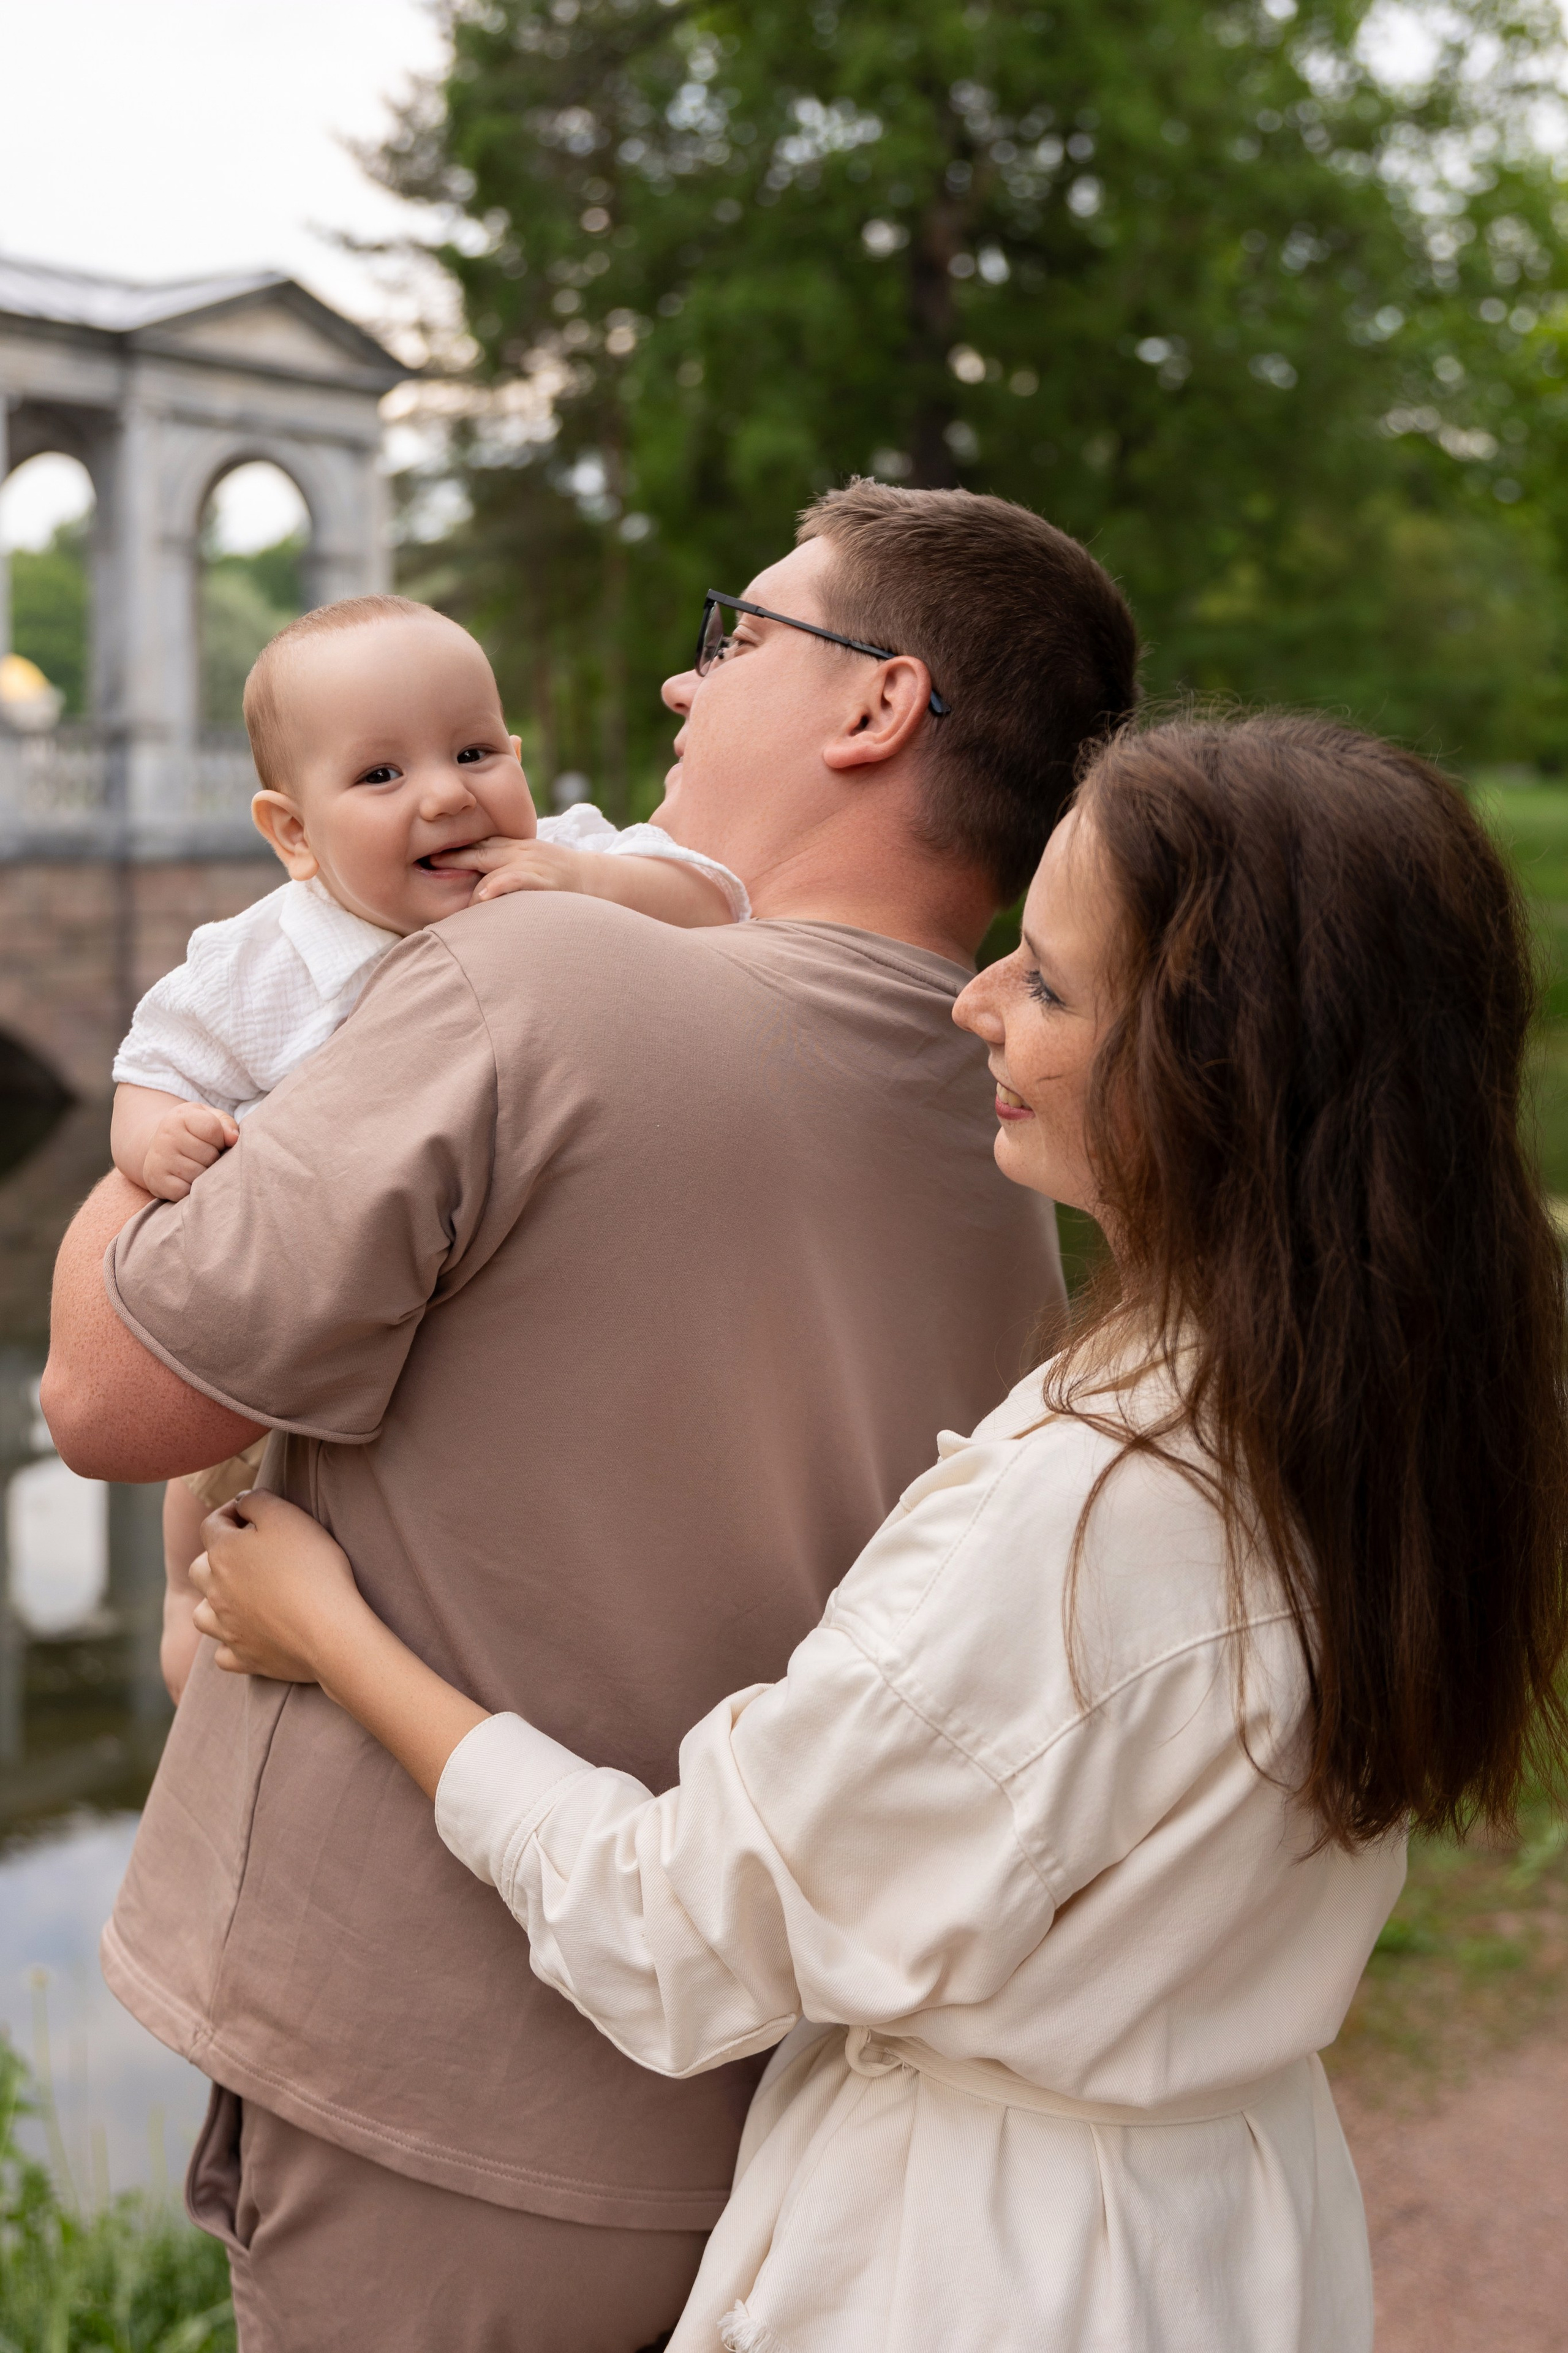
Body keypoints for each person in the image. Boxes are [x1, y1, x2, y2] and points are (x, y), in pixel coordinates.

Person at [186, 713, 1568, 2353]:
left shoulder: (1092, 1517)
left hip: (984, 2269)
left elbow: (679, 1929)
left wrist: (330, 1632)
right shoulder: (1413, 1399)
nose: (973, 1002)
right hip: (1235, 2219)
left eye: (1047, 986)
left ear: (1217, 1067)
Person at [41, 484, 1139, 2353]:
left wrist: (154, 1121)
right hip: (792, 2117)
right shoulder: (1018, 1132)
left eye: (739, 638)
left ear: (876, 705)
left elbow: (108, 1398)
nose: (682, 684)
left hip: (436, 2091)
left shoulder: (523, 978)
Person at [105, 594, 746, 1705]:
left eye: (475, 752)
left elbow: (719, 903)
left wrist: (593, 885)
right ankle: (180, 1614)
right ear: (293, 834)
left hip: (490, 1320)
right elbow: (154, 1062)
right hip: (300, 1301)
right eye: (381, 775)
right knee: (210, 1490)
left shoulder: (567, 856)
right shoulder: (261, 962)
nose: (448, 794)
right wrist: (157, 1136)